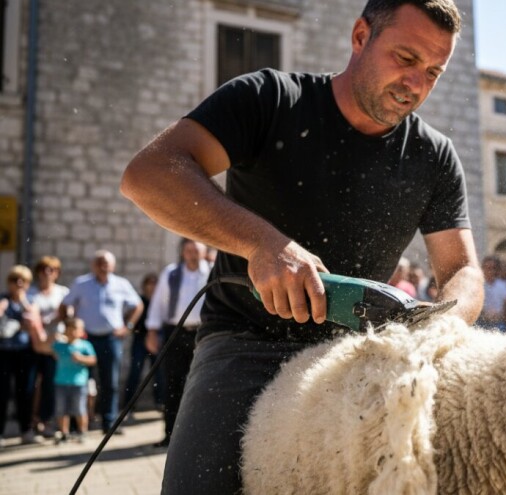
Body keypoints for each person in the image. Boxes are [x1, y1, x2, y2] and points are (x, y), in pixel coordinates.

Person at [119, 1, 482, 492]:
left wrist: (443, 327)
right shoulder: (270, 98)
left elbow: (462, 269)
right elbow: (148, 174)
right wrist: (261, 243)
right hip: (244, 343)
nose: (416, 84)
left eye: (434, 72)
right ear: (360, 37)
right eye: (406, 58)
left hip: (357, 353)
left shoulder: (434, 156)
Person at [61, 250, 143, 434]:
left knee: (110, 382)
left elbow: (137, 305)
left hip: (110, 338)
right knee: (81, 381)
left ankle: (109, 422)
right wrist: (69, 327)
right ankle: (77, 424)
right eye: (99, 262)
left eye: (106, 263)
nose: (102, 266)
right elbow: (65, 304)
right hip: (86, 339)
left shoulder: (121, 284)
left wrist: (128, 326)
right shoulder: (81, 284)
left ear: (113, 265)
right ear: (93, 265)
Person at [145, 239, 210, 448]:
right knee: (172, 383)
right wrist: (152, 331)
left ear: (204, 252)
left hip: (204, 332)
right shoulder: (171, 273)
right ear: (182, 252)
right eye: (188, 250)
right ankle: (170, 434)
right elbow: (158, 303)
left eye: (196, 250)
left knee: (204, 383)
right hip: (175, 333)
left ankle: (199, 436)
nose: (192, 254)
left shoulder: (211, 272)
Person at [26, 255, 69, 438]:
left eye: (51, 270)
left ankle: (46, 420)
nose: (47, 273)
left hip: (55, 345)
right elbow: (29, 316)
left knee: (50, 384)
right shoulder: (31, 292)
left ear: (57, 273)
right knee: (31, 384)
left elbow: (67, 315)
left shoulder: (63, 292)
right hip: (34, 343)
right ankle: (30, 421)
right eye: (43, 269)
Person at [0, 265, 43, 445]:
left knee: (25, 391)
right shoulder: (3, 300)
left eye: (23, 281)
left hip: (26, 352)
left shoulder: (31, 300)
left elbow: (34, 321)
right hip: (3, 352)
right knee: (2, 392)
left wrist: (23, 301)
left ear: (27, 283)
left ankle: (26, 430)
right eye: (14, 280)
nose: (18, 284)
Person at [123, 272, 163, 417]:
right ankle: (129, 405)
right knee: (135, 371)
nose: (152, 287)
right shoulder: (139, 301)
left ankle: (160, 402)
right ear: (144, 286)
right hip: (140, 340)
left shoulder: (160, 302)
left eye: (154, 283)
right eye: (149, 283)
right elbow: (130, 318)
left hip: (157, 339)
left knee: (159, 373)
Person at [51, 317, 96, 444]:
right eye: (71, 328)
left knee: (79, 409)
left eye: (77, 329)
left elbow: (93, 360)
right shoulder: (59, 345)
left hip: (79, 383)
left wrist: (81, 358)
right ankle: (64, 433)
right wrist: (53, 337)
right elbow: (48, 349)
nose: (73, 332)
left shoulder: (85, 345)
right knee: (61, 409)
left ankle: (82, 432)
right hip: (61, 382)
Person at [477, 255, 506, 331]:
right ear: (483, 269)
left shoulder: (503, 285)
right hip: (481, 323)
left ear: (497, 270)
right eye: (488, 268)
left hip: (499, 324)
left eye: (493, 268)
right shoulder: (478, 285)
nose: (490, 270)